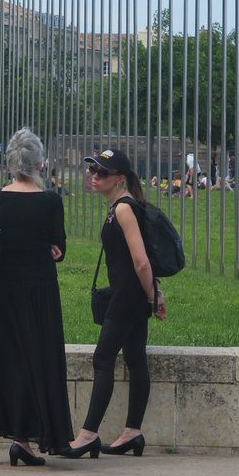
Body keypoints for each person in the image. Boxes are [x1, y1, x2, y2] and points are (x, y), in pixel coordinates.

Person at [0, 127, 71, 466]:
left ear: (11, 162)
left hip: (4, 287)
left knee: (4, 355)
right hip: (38, 287)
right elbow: (58, 247)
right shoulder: (50, 201)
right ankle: (23, 439)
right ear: (40, 162)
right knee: (36, 358)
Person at [64, 149, 167, 459]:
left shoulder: (123, 209)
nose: (94, 177)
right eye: (93, 171)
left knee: (103, 359)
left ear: (120, 179)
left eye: (102, 173)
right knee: (135, 360)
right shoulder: (121, 206)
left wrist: (152, 296)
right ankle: (132, 432)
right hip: (133, 295)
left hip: (128, 296)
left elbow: (141, 261)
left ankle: (87, 434)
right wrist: (153, 295)